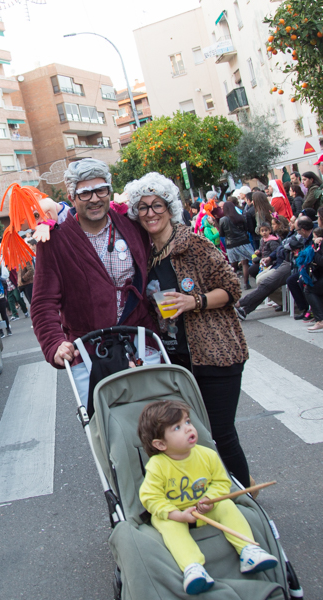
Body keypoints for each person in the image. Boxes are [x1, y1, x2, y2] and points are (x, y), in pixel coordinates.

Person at [128, 173, 254, 490]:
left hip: (215, 353)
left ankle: (245, 497)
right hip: (175, 360)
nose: (150, 213)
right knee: (188, 437)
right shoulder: (143, 256)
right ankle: (213, 494)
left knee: (220, 432)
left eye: (157, 205)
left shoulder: (193, 245)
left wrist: (193, 301)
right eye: (142, 207)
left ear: (169, 208)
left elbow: (231, 289)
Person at [31, 158, 159, 404]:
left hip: (140, 339)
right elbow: (43, 303)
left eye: (100, 190)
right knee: (109, 428)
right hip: (90, 351)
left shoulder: (132, 226)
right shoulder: (55, 241)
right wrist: (54, 343)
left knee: (159, 419)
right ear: (72, 197)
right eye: (84, 192)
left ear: (109, 191)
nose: (94, 198)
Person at [137, 400, 278, 595]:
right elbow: (150, 497)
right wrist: (176, 515)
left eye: (187, 422)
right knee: (166, 524)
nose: (188, 428)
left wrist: (210, 499)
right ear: (160, 444)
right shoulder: (157, 465)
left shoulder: (207, 455)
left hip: (206, 507)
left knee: (227, 505)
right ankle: (193, 567)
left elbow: (221, 482)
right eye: (177, 427)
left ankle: (248, 550)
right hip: (177, 513)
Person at [218, 198, 253, 289]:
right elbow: (246, 228)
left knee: (233, 265)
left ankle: (234, 285)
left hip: (231, 244)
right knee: (245, 263)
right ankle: (246, 283)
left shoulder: (223, 220)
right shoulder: (240, 216)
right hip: (243, 241)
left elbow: (221, 234)